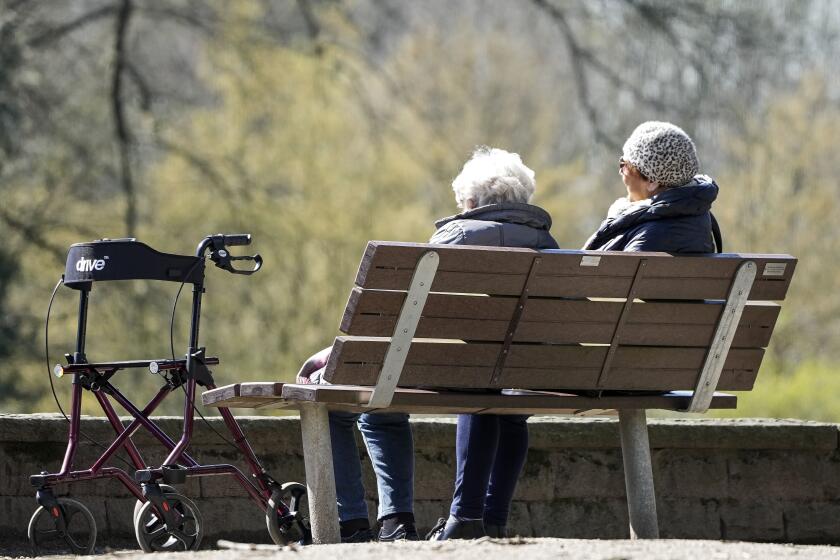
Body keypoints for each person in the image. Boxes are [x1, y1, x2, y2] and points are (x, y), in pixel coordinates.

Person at [427, 147, 559, 540]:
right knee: (507, 402)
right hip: (528, 372)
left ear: (470, 202)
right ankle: (494, 518)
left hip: (457, 369)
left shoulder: (455, 236)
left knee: (478, 380)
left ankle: (465, 517)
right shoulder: (549, 246)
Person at [583, 120, 721, 253]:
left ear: (651, 182)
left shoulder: (648, 236)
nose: (621, 172)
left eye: (625, 166)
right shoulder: (698, 219)